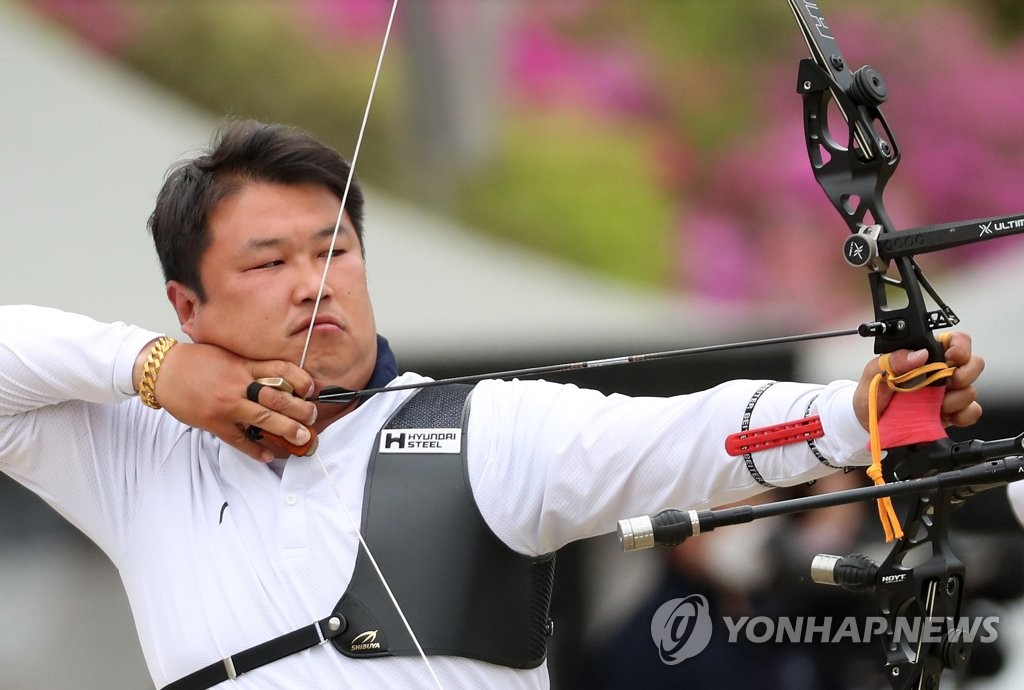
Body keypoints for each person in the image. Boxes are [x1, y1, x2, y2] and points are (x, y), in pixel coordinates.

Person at [0, 120, 983, 689]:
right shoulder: (141, 458)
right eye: (269, 262)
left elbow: (689, 435)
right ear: (188, 304)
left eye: (334, 249)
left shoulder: (486, 430)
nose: (315, 283)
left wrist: (858, 411)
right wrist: (152, 370)